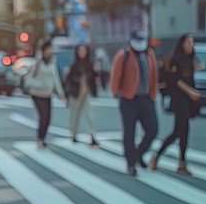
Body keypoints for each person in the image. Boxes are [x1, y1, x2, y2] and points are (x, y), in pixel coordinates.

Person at [151, 34, 202, 175]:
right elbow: (176, 81)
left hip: (188, 100)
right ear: (182, 44)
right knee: (181, 131)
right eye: (188, 42)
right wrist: (191, 91)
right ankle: (178, 163)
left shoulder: (191, 60)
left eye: (192, 42)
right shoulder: (176, 60)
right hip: (179, 99)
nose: (191, 45)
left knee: (179, 132)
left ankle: (163, 158)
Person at [109, 30, 159, 176]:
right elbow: (115, 75)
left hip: (146, 98)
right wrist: (116, 93)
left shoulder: (149, 54)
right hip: (128, 98)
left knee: (152, 129)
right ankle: (130, 163)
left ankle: (138, 153)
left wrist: (153, 93)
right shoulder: (123, 55)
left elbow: (154, 75)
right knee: (129, 133)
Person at [28, 40, 66, 149]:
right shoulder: (37, 62)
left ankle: (42, 138)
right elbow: (30, 76)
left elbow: (56, 78)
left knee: (48, 118)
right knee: (43, 116)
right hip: (36, 93)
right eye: (48, 49)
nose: (50, 51)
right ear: (44, 50)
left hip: (47, 93)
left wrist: (61, 94)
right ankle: (40, 139)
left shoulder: (52, 62)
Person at [63, 44, 99, 147]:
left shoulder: (90, 65)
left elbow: (94, 78)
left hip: (86, 92)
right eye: (80, 51)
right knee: (74, 115)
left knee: (90, 114)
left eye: (83, 51)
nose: (82, 53)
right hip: (75, 92)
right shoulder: (74, 66)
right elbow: (68, 80)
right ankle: (73, 134)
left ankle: (92, 135)